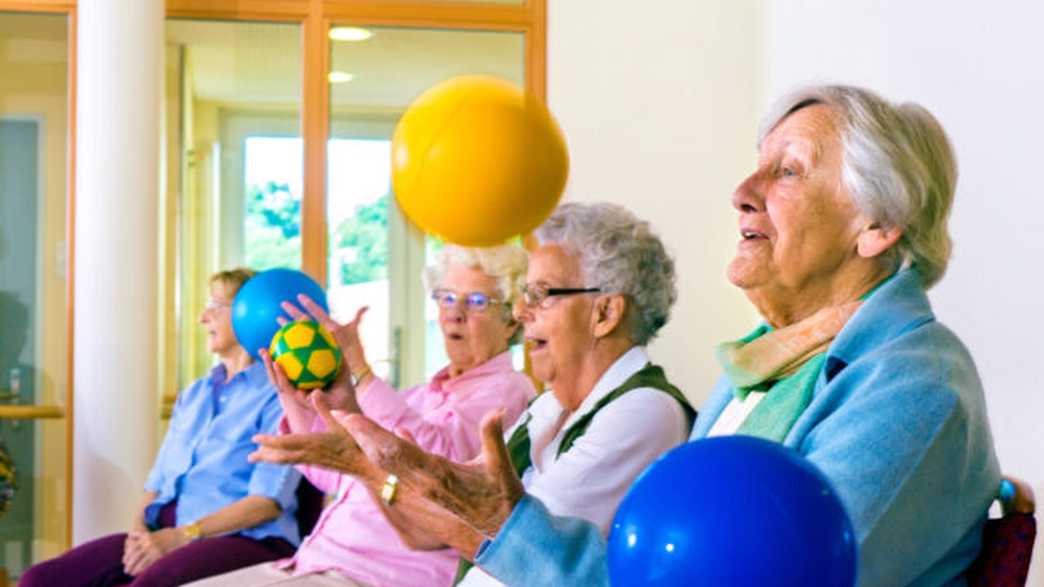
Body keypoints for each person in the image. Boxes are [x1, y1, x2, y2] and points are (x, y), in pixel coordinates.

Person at [255, 84, 1001, 587]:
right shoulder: (764, 369)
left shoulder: (912, 379)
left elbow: (757, 575)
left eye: (789, 170)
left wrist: (491, 517)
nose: (744, 188)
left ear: (876, 226)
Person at [249, 203, 696, 587]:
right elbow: (431, 526)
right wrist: (354, 444)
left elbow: (522, 546)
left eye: (541, 295)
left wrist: (362, 460)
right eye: (524, 295)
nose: (522, 312)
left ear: (605, 312)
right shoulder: (548, 407)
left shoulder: (642, 411)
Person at [189, 244, 536, 587]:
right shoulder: (417, 396)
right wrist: (294, 394)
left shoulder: (509, 390)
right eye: (446, 297)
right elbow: (337, 475)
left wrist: (362, 373)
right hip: (314, 563)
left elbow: (431, 466)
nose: (454, 312)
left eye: (476, 301)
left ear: (510, 321)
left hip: (379, 575)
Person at [21, 268, 302, 587]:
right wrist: (139, 536)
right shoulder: (194, 395)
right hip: (167, 533)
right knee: (39, 580)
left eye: (215, 305)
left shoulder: (280, 398)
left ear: (248, 315)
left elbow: (266, 502)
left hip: (248, 540)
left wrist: (183, 536)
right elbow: (156, 484)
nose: (202, 317)